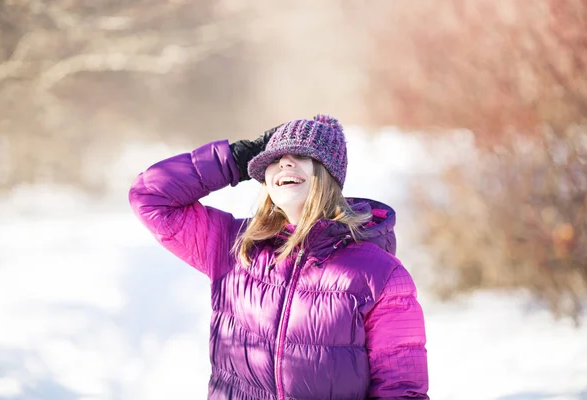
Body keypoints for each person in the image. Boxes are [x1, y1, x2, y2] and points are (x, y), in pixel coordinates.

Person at [129, 114, 429, 399]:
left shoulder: (379, 274)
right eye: (274, 158)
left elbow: (401, 389)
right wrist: (236, 159)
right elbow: (150, 196)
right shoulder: (234, 246)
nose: (285, 161)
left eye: (301, 155)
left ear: (328, 174)